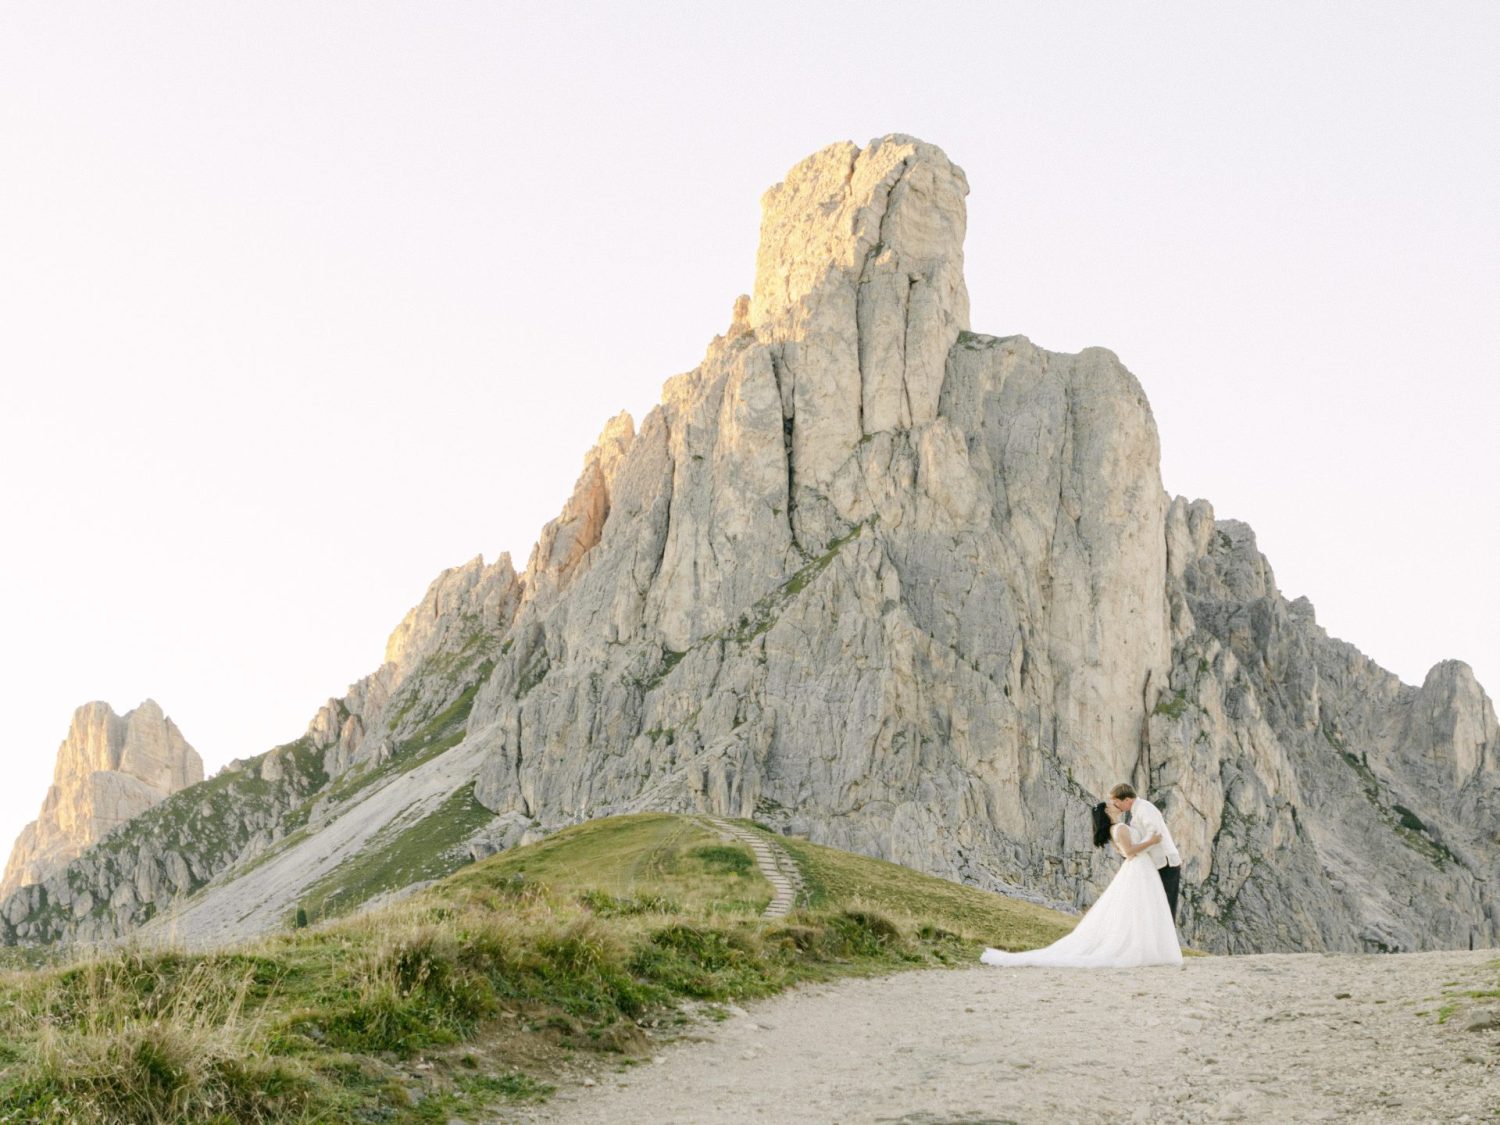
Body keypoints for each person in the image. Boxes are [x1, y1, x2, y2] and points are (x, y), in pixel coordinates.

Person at [979, 800, 1182, 968]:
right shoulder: (1119, 828)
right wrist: (1152, 841)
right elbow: (1129, 852)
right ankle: (1145, 948)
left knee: (1137, 908)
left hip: (1139, 869)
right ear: (1107, 812)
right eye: (1112, 806)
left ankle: (1145, 947)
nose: (1116, 806)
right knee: (1139, 908)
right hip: (1138, 868)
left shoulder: (1115, 829)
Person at [1109, 783, 1182, 921]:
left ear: (1127, 800)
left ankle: (1166, 934)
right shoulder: (1136, 811)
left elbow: (1154, 833)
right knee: (1156, 906)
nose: (1116, 806)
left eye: (1117, 802)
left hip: (1166, 863)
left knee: (1166, 907)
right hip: (1157, 864)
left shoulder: (1144, 808)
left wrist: (1135, 851)